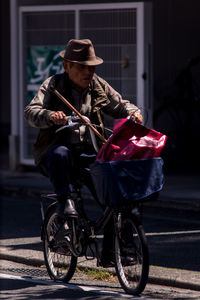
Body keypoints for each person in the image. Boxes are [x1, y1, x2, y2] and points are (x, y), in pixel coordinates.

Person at [24, 39, 143, 266]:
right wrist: (50, 116)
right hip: (56, 151)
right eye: (82, 67)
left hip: (89, 152)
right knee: (60, 155)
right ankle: (64, 204)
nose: (88, 72)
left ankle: (112, 254)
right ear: (67, 66)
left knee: (112, 196)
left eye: (92, 67)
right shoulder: (53, 85)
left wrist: (134, 113)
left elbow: (120, 104)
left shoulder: (97, 85)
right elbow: (30, 111)